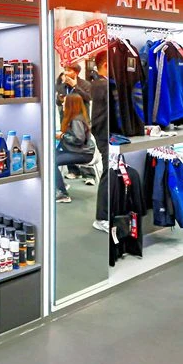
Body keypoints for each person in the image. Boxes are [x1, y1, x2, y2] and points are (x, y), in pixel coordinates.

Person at [54, 93, 95, 203]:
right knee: (51, 156)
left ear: (71, 104)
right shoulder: (75, 118)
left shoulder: (76, 120)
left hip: (83, 153)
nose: (63, 104)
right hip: (78, 151)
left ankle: (62, 193)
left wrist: (62, 136)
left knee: (51, 162)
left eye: (65, 102)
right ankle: (60, 185)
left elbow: (78, 139)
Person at [90, 50, 109, 231]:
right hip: (105, 134)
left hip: (105, 134)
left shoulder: (100, 83)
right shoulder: (102, 85)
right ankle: (102, 217)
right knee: (108, 172)